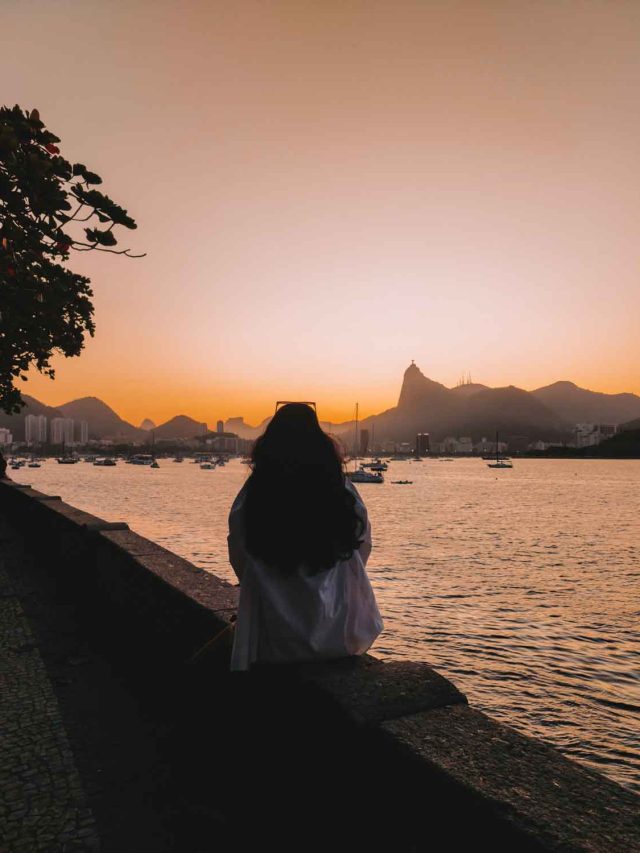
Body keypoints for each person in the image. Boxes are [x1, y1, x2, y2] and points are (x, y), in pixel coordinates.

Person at [227, 402, 383, 671]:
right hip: (335, 634)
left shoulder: (258, 490)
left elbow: (238, 549)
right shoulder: (339, 489)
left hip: (273, 638)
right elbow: (362, 545)